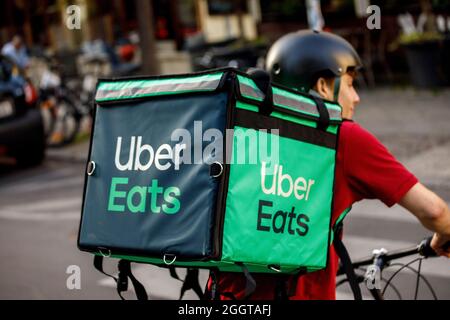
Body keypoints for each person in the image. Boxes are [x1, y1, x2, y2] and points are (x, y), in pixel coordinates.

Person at [207, 30, 450, 300]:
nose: (356, 97)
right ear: (323, 86)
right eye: (349, 84)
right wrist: (443, 233)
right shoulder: (342, 137)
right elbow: (435, 211)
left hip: (223, 297)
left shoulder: (242, 127)